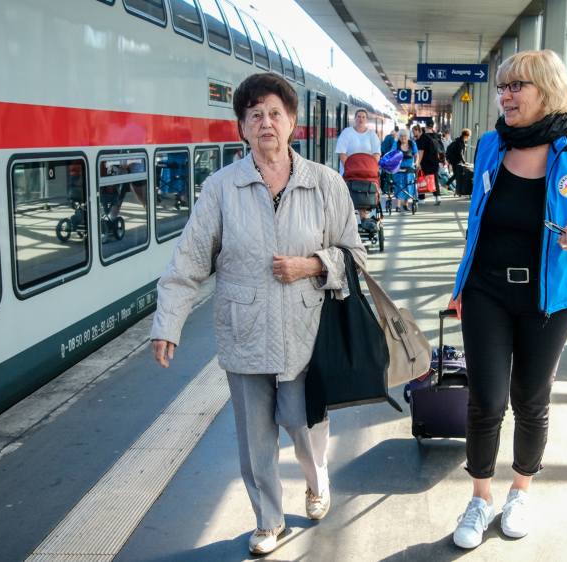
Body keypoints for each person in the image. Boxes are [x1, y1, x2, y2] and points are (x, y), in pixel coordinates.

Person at [150, 72, 366, 556]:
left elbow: (355, 255)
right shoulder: (222, 187)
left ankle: (316, 480)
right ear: (242, 128)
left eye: (274, 113)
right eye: (254, 115)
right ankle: (268, 520)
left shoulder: (325, 184)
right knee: (254, 436)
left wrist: (312, 264)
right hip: (243, 330)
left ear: (293, 122)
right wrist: (168, 322)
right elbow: (188, 259)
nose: (265, 123)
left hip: (306, 329)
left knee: (303, 424)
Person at [446, 50, 567, 549]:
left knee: (531, 400)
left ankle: (519, 490)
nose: (506, 95)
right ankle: (479, 498)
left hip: (549, 297)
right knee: (486, 399)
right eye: (503, 87)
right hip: (487, 290)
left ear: (547, 90)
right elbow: (476, 220)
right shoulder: (492, 144)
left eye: (518, 86)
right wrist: (460, 288)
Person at [336, 108, 383, 221]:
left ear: (366, 119)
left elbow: (376, 154)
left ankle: (364, 219)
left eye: (363, 117)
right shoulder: (347, 133)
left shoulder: (372, 135)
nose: (360, 119)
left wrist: (369, 168)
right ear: (355, 118)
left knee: (364, 196)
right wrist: (350, 168)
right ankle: (348, 222)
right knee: (349, 196)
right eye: (358, 116)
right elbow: (342, 154)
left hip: (367, 173)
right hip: (349, 173)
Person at [413, 124, 443, 205]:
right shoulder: (428, 137)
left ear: (418, 131)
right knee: (434, 179)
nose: (413, 133)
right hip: (434, 161)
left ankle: (421, 199)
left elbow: (421, 152)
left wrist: (418, 163)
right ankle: (438, 197)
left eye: (414, 131)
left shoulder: (421, 139)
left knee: (421, 178)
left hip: (427, 162)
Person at [393, 128, 418, 212]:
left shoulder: (412, 143)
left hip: (410, 168)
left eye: (405, 136)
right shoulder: (396, 144)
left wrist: (416, 162)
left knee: (408, 185)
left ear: (408, 137)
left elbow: (416, 154)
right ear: (399, 137)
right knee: (399, 185)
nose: (403, 138)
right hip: (398, 169)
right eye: (401, 136)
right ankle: (398, 206)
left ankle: (406, 204)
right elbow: (392, 154)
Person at [446, 128, 472, 196]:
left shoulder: (459, 140)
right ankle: (447, 185)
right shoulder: (460, 142)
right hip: (456, 161)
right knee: (457, 175)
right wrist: (464, 162)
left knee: (457, 175)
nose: (468, 138)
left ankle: (457, 191)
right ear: (466, 135)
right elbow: (460, 153)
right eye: (468, 136)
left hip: (454, 160)